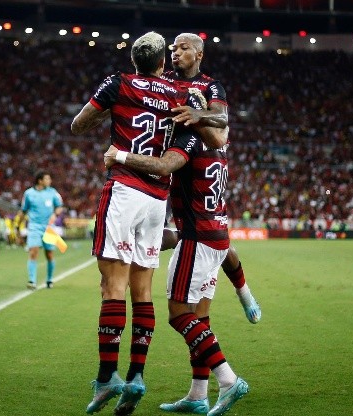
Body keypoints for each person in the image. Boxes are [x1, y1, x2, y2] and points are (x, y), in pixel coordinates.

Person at [71, 31, 225, 416]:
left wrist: (115, 119)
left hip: (124, 192)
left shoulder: (119, 83)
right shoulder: (179, 94)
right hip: (158, 201)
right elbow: (216, 128)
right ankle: (137, 375)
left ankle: (107, 378)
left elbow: (79, 125)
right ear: (162, 63)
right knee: (142, 292)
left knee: (112, 286)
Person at [104, 105, 249, 416]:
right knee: (200, 319)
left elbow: (166, 166)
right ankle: (198, 395)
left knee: (179, 314)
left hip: (196, 238)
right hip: (218, 239)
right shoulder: (219, 147)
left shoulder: (190, 141)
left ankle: (227, 379)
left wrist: (119, 155)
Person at [163, 32, 261, 326]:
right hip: (174, 157)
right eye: (173, 48)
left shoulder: (210, 86)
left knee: (212, 234)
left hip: (200, 160)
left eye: (184, 48)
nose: (176, 53)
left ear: (199, 54)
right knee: (205, 236)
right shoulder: (165, 81)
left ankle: (243, 291)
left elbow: (221, 120)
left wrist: (197, 112)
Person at [20, 171, 64, 290]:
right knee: (33, 252)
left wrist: (55, 214)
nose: (49, 181)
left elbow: (60, 207)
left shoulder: (52, 192)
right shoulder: (29, 194)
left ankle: (49, 279)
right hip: (34, 227)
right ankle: (32, 281)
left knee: (49, 254)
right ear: (40, 180)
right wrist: (18, 225)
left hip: (49, 228)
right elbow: (23, 210)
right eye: (47, 179)